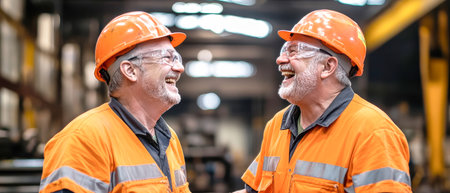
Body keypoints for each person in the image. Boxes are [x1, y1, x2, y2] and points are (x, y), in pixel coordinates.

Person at [234, 9, 412, 193]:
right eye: (284, 50)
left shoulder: (373, 132)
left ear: (327, 67)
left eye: (294, 51)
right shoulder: (278, 125)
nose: (280, 59)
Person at [39, 11, 190, 193]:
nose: (179, 67)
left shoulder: (169, 139)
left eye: (177, 58)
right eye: (166, 58)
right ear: (130, 70)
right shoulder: (83, 139)